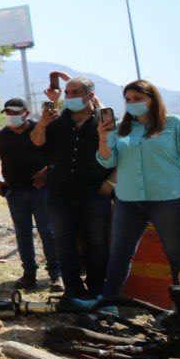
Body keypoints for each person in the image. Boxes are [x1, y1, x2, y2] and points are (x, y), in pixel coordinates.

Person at [97, 81, 180, 299]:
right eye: (128, 100)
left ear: (152, 99)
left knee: (177, 253)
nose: (132, 104)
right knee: (119, 254)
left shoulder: (175, 124)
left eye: (138, 98)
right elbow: (107, 162)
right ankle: (108, 303)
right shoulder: (119, 129)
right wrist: (103, 138)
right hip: (128, 201)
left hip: (168, 200)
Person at [30, 76, 113, 301]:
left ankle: (97, 291)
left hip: (94, 193)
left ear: (90, 95)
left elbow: (119, 154)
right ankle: (73, 290)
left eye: (75, 92)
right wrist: (43, 123)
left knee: (96, 244)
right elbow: (37, 142)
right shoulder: (56, 120)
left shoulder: (104, 121)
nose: (69, 97)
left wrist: (110, 184)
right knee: (64, 243)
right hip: (59, 194)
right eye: (67, 93)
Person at [0, 97, 60, 291]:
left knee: (48, 232)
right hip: (15, 192)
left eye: (15, 112)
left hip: (42, 191)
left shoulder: (41, 129)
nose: (11, 116)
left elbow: (59, 155)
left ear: (26, 113)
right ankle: (29, 274)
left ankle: (56, 275)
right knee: (23, 233)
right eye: (8, 113)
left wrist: (47, 171)